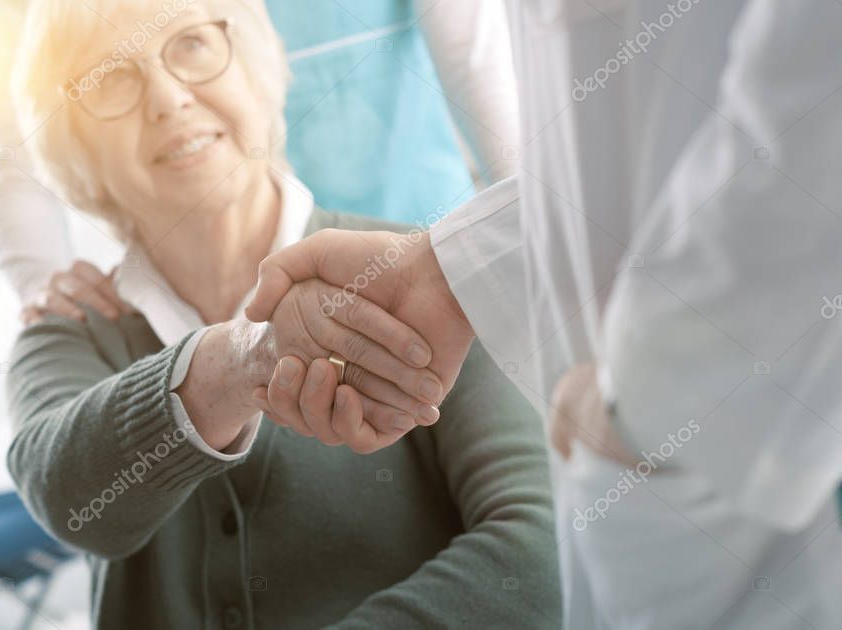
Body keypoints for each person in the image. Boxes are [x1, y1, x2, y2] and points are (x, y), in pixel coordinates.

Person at [243, 1, 842, 628]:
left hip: (749, 459)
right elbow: (649, 152)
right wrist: (448, 273)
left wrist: (660, 396)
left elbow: (816, 116)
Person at [4, 0, 560, 627]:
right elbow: (69, 503)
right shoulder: (68, 329)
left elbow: (544, 549)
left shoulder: (431, 286)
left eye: (190, 44)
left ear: (259, 67)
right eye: (110, 77)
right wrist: (244, 358)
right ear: (70, 141)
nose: (167, 98)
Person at [0, 0, 518, 310]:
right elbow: (21, 161)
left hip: (423, 252)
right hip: (226, 295)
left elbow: (481, 74)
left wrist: (528, 252)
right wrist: (45, 287)